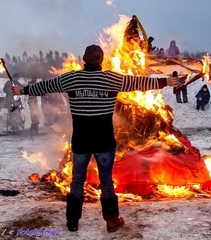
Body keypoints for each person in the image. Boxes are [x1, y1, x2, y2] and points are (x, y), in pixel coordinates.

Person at [11, 44, 178, 233]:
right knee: (106, 179)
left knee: (77, 179)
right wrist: (166, 82)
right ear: (101, 60)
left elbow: (45, 86)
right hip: (104, 141)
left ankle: (72, 221)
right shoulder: (111, 79)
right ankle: (112, 220)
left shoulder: (71, 78)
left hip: (81, 140)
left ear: (84, 59)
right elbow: (138, 83)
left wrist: (22, 91)